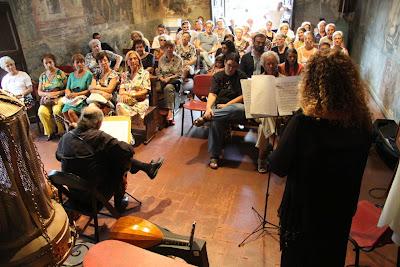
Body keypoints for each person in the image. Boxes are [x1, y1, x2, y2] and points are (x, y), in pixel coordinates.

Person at [268, 50, 373, 266]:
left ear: (312, 84)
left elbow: (277, 166)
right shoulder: (362, 124)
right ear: (350, 85)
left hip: (303, 216)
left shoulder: (304, 123)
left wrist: (279, 138)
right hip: (339, 213)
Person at [56, 104, 164, 212]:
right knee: (119, 161)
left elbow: (58, 156)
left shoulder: (66, 136)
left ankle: (145, 168)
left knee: (107, 156)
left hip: (76, 195)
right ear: (98, 123)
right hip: (95, 196)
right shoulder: (98, 136)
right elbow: (129, 150)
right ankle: (119, 204)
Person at [193, 52, 247, 169]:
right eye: (229, 65)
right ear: (224, 63)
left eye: (234, 66)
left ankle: (205, 118)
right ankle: (214, 156)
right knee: (216, 121)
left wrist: (227, 105)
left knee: (241, 108)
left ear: (238, 66)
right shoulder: (218, 76)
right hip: (218, 107)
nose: (231, 68)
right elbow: (212, 94)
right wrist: (208, 109)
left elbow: (243, 96)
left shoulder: (242, 76)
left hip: (234, 107)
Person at [256, 51, 281, 173]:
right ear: (263, 65)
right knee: (266, 115)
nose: (271, 66)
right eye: (268, 64)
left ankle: (261, 159)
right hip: (260, 112)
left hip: (279, 114)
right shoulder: (257, 80)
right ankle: (276, 148)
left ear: (277, 64)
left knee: (263, 128)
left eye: (273, 63)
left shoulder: (284, 80)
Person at [37, 53, 67, 140]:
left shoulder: (60, 73)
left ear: (54, 62)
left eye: (50, 62)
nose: (48, 65)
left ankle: (61, 131)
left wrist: (57, 93)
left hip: (59, 97)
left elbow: (67, 88)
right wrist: (47, 94)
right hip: (47, 99)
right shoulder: (42, 76)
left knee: (56, 110)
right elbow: (39, 91)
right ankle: (51, 132)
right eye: (46, 63)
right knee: (41, 112)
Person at [116, 51, 150, 125]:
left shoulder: (145, 73)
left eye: (135, 58)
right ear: (127, 62)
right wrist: (125, 95)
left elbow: (145, 90)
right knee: (119, 106)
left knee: (122, 112)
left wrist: (132, 94)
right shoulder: (125, 75)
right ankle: (129, 128)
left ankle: (128, 130)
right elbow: (121, 90)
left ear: (138, 60)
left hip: (140, 101)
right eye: (130, 59)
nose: (133, 61)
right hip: (127, 101)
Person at [156, 40, 183, 125]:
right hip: (163, 79)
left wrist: (169, 78)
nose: (169, 49)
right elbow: (158, 71)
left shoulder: (178, 59)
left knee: (168, 88)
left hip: (174, 80)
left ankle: (170, 111)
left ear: (174, 48)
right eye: (167, 47)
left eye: (171, 47)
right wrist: (161, 78)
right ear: (164, 49)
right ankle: (156, 111)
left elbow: (179, 73)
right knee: (154, 88)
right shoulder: (161, 58)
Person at [62, 53, 93, 125]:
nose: (80, 64)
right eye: (77, 62)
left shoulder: (88, 75)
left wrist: (76, 94)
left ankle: (81, 129)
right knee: (64, 111)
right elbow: (67, 88)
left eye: (82, 62)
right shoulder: (71, 75)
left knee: (70, 111)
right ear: (74, 64)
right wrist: (68, 94)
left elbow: (89, 91)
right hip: (72, 99)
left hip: (82, 99)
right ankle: (73, 129)